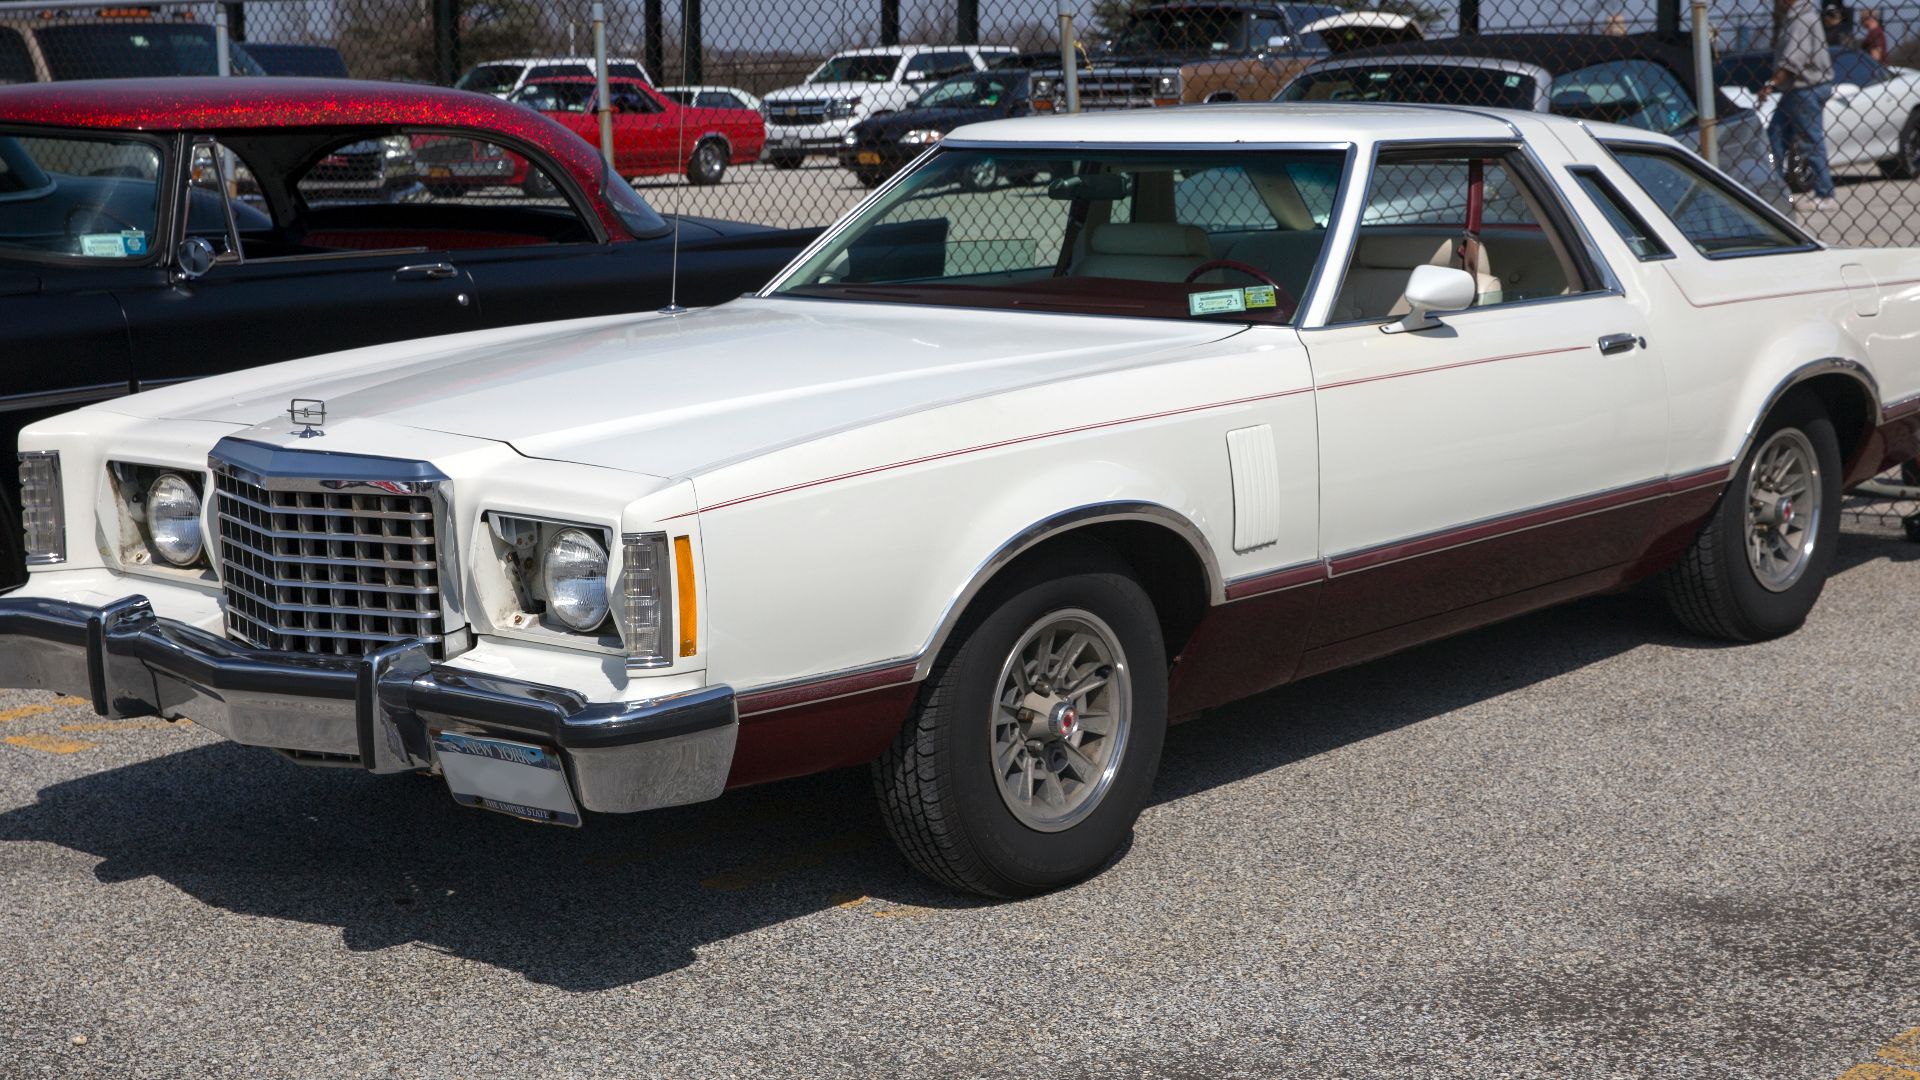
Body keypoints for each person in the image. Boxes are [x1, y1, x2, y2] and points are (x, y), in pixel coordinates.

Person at [1764, 0, 1839, 212]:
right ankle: (1775, 190)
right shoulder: (1796, 18)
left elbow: (1793, 61)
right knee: (1775, 135)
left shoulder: (1801, 20)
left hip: (1805, 87)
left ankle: (1825, 194)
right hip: (1797, 89)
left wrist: (1771, 84)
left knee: (1810, 140)